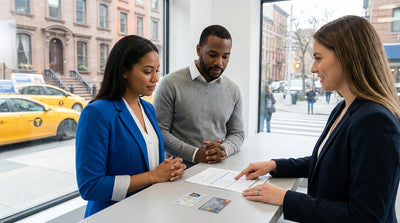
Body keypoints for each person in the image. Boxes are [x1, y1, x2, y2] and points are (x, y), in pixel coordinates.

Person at [235, 15, 400, 222]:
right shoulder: (344, 107)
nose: (313, 68)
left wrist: (286, 198)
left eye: (318, 58)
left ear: (347, 57)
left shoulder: (375, 122)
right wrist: (275, 165)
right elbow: (328, 162)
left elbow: (365, 217)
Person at [75, 35, 186, 217]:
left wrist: (169, 168)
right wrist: (154, 176)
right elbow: (90, 186)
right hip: (112, 215)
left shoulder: (148, 109)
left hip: (147, 210)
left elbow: (147, 163)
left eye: (157, 71)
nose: (156, 79)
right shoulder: (97, 113)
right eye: (148, 71)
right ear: (124, 71)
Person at [153, 25, 245, 168]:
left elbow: (237, 133)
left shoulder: (233, 89)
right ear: (199, 49)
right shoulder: (170, 83)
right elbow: (159, 131)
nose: (219, 63)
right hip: (179, 170)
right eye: (213, 55)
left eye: (225, 56)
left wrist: (223, 151)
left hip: (218, 169)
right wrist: (196, 154)